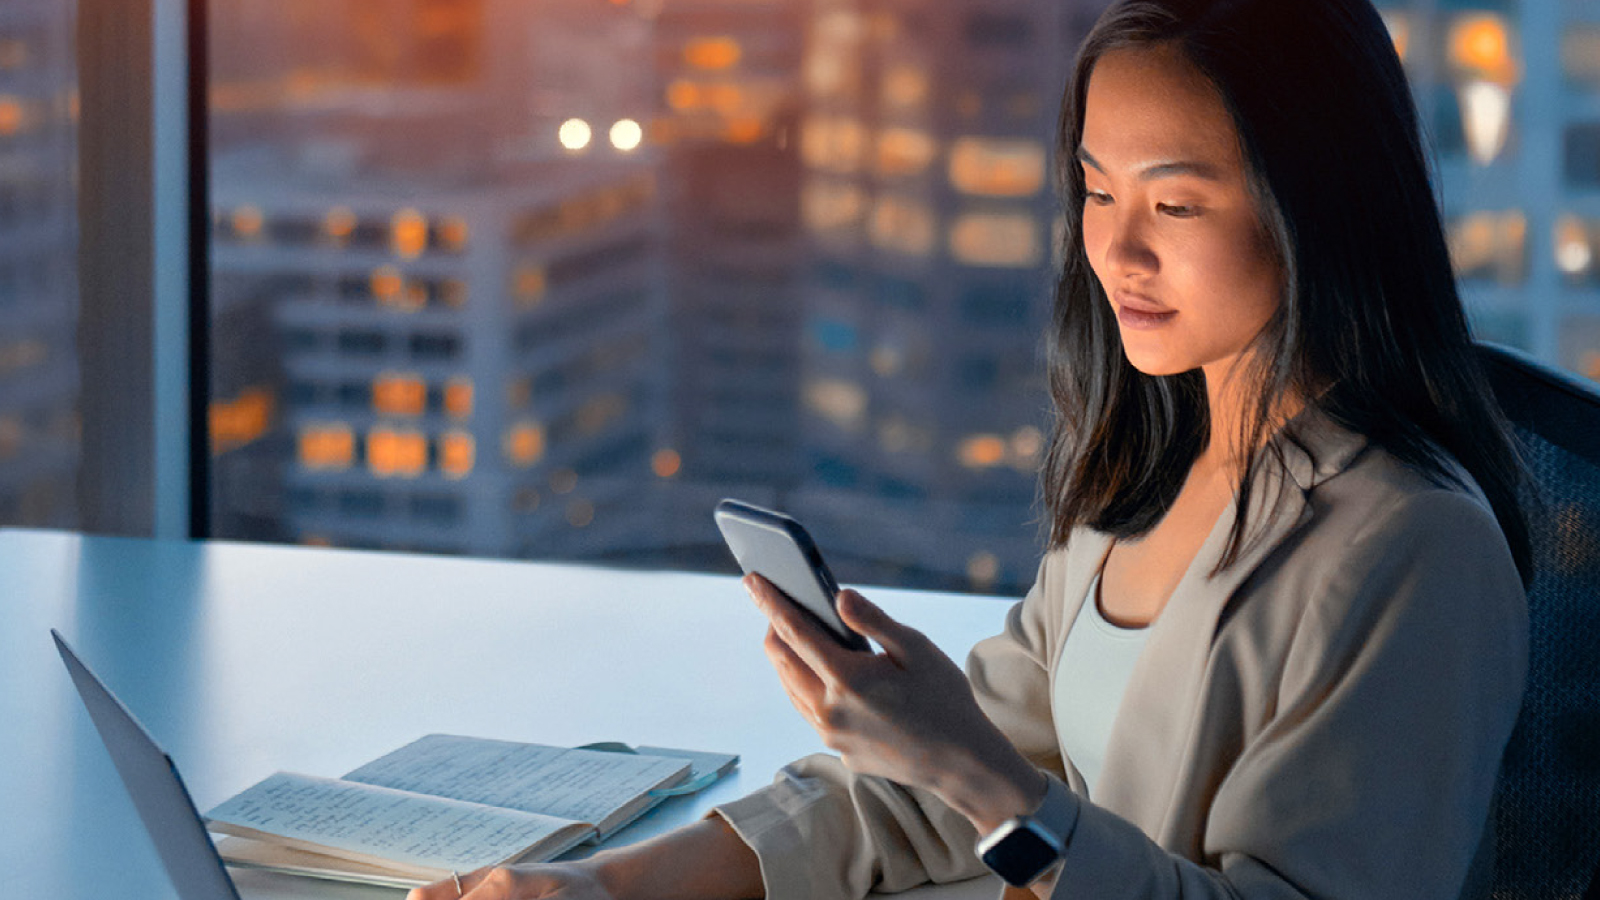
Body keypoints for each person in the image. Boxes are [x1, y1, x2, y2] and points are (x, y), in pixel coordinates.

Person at [410, 0, 1531, 897]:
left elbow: (984, 789)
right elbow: (911, 796)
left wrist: (983, 781)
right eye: (1094, 190)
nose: (1116, 249)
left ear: (1316, 208)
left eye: (1175, 206)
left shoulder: (1413, 550)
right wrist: (605, 886)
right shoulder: (1144, 480)